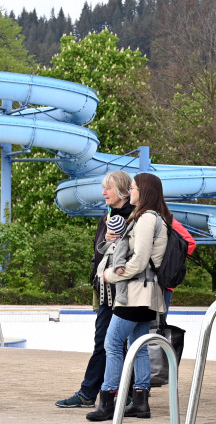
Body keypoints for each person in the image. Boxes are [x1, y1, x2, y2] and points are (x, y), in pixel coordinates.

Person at [86, 173, 170, 422]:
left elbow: (140, 260)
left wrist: (110, 275)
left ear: (143, 192)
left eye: (133, 188)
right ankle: (140, 401)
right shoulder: (155, 218)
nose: (130, 192)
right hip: (147, 294)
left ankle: (108, 400)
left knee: (112, 344)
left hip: (135, 293)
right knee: (139, 347)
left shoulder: (146, 218)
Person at [56, 171, 134, 409]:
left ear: (121, 190)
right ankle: (89, 392)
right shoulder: (106, 218)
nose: (103, 193)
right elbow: (98, 254)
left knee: (126, 344)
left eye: (107, 189)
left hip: (127, 292)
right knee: (103, 341)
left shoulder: (136, 218)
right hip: (105, 291)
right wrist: (96, 277)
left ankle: (125, 394)